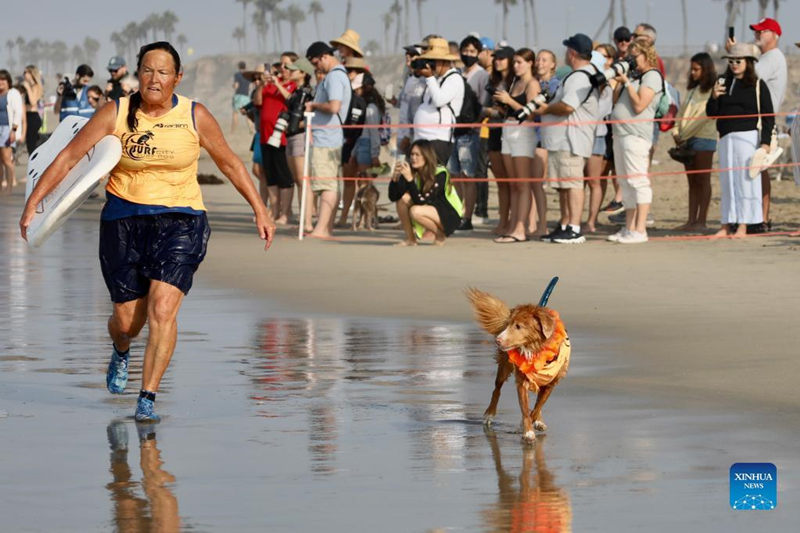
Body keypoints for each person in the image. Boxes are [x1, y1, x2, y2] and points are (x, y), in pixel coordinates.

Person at [19, 41, 276, 422]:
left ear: (177, 77)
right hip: (123, 221)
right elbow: (70, 156)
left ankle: (147, 398)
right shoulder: (116, 112)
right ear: (138, 73)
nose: (154, 79)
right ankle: (121, 350)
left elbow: (231, 164)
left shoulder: (195, 115)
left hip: (181, 221)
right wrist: (34, 203)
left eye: (163, 72)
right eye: (147, 70)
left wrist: (260, 209)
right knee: (127, 323)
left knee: (163, 309)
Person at [535, 34, 599, 244]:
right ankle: (564, 224)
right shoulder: (576, 75)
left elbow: (567, 106)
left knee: (572, 183)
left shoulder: (581, 76)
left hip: (571, 139)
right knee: (563, 185)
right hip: (561, 140)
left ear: (572, 53)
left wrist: (546, 108)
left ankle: (574, 227)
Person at [706, 43, 773, 238]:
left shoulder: (758, 85)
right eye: (731, 61)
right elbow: (712, 113)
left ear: (749, 62)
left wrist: (766, 143)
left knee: (746, 180)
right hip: (726, 137)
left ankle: (744, 224)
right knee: (727, 181)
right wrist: (713, 97)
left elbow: (768, 115)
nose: (734, 64)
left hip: (748, 136)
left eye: (739, 61)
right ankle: (726, 224)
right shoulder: (722, 82)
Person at [607, 36, 664, 244]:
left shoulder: (652, 76)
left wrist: (627, 84)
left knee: (638, 181)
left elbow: (640, 105)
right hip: (621, 133)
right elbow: (615, 102)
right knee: (625, 182)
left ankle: (640, 229)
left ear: (646, 55)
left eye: (635, 55)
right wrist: (619, 82)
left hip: (636, 135)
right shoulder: (633, 76)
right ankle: (629, 227)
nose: (631, 59)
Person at [733, 17, 787, 230]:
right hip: (757, 121)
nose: (757, 34)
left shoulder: (772, 56)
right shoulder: (767, 57)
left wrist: (737, 55)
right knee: (754, 169)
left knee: (758, 168)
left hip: (762, 122)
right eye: (756, 31)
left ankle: (761, 219)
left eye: (762, 31)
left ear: (774, 35)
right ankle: (757, 217)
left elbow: (748, 77)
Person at [493, 48, 541, 243]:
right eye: (514, 62)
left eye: (520, 62)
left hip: (523, 131)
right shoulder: (515, 82)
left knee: (522, 183)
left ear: (530, 63)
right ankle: (514, 225)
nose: (516, 66)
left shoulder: (532, 83)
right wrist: (503, 106)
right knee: (513, 183)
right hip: (508, 128)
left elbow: (530, 113)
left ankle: (521, 227)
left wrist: (509, 101)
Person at [304, 41, 351, 238]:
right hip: (329, 136)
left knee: (326, 185)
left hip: (327, 137)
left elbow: (334, 107)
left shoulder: (334, 77)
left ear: (324, 56)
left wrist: (314, 105)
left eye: (316, 63)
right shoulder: (337, 75)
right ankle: (326, 227)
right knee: (329, 183)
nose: (316, 68)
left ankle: (322, 228)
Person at [671, 52, 717, 231]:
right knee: (692, 182)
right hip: (686, 140)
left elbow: (706, 116)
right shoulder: (692, 91)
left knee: (703, 180)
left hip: (704, 139)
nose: (692, 73)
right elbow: (681, 114)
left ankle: (702, 221)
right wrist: (676, 132)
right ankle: (691, 220)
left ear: (706, 70)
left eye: (696, 69)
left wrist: (684, 134)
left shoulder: (713, 91)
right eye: (692, 69)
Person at [389, 139, 462, 246]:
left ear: (426, 156)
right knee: (402, 200)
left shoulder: (440, 173)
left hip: (449, 214)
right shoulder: (413, 171)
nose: (413, 158)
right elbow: (393, 197)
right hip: (428, 208)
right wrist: (395, 178)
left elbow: (422, 201)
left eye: (417, 155)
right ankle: (411, 239)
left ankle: (439, 234)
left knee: (415, 211)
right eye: (412, 154)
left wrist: (409, 180)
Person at [451, 35, 489, 232]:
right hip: (453, 131)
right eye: (465, 50)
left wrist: (475, 124)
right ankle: (457, 212)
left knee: (469, 175)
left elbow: (484, 104)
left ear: (479, 53)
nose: (468, 54)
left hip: (470, 132)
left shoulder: (482, 75)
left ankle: (467, 216)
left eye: (472, 51)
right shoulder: (457, 73)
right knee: (455, 175)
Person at [254, 52, 297, 225]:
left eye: (286, 66)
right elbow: (258, 102)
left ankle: (286, 213)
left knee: (284, 177)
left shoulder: (292, 86)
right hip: (265, 136)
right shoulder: (269, 86)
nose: (282, 69)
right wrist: (262, 85)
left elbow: (291, 101)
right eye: (280, 65)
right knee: (270, 177)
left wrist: (278, 83)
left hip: (281, 137)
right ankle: (274, 210)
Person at [412, 37, 464, 165]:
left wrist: (429, 77)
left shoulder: (454, 79)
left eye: (433, 61)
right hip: (422, 137)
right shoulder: (436, 79)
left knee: (433, 177)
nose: (431, 65)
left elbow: (439, 100)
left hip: (438, 139)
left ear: (444, 61)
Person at [583, 46, 616, 234]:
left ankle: (591, 221)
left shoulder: (606, 85)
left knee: (595, 181)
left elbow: (600, 110)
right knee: (579, 181)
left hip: (597, 134)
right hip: (581, 134)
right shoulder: (582, 80)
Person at [483, 46, 515, 235]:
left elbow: (515, 110)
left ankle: (514, 221)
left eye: (502, 58)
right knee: (501, 182)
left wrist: (499, 109)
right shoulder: (493, 81)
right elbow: (486, 107)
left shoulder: (515, 81)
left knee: (514, 182)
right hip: (494, 131)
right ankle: (503, 221)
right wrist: (492, 110)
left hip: (510, 132)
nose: (498, 61)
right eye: (496, 58)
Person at [530, 48, 559, 236]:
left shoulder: (555, 85)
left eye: (544, 60)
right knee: (529, 184)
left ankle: (542, 225)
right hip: (528, 135)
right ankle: (530, 223)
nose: (540, 63)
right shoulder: (531, 82)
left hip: (543, 137)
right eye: (538, 59)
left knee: (538, 184)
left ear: (553, 64)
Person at [284, 57, 316, 228]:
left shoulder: (307, 92)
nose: (289, 72)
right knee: (297, 180)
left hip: (300, 136)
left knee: (303, 180)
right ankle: (304, 219)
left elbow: (311, 117)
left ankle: (308, 222)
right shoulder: (296, 93)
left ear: (303, 73)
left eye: (293, 70)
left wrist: (298, 124)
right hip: (291, 136)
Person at [397, 44, 425, 156]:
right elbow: (403, 104)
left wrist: (408, 136)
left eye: (413, 55)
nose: (409, 56)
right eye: (408, 54)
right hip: (402, 131)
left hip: (412, 134)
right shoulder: (409, 78)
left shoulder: (423, 80)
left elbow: (415, 111)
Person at [0, 70, 23, 189]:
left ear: (8, 81)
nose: (0, 82)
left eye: (3, 79)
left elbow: (18, 112)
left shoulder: (13, 93)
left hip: (7, 129)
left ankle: (9, 187)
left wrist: (13, 130)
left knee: (6, 159)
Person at [21, 65, 43, 155]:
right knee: (30, 145)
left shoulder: (35, 86)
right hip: (27, 117)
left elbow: (33, 102)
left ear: (31, 74)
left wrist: (27, 87)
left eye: (26, 72)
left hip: (32, 117)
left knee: (32, 147)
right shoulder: (29, 86)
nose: (24, 74)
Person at [231, 61, 251, 132]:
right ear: (245, 67)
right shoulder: (248, 75)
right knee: (247, 115)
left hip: (239, 95)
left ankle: (233, 130)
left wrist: (233, 86)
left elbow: (236, 85)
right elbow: (249, 87)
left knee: (235, 114)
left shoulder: (237, 75)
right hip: (246, 96)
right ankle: (251, 130)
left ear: (239, 67)